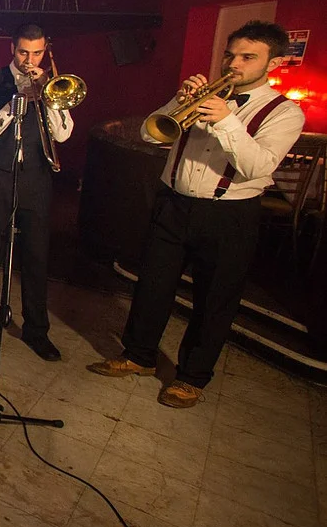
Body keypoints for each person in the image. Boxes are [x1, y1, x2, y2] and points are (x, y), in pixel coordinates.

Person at [89, 21, 304, 407]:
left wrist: (226, 120)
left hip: (229, 215)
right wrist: (178, 102)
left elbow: (258, 166)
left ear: (272, 64)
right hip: (174, 203)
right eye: (230, 54)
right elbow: (150, 135)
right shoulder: (204, 95)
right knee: (152, 285)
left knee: (215, 298)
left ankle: (191, 377)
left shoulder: (284, 113)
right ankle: (138, 356)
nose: (233, 64)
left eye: (247, 57)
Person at [0, 23, 74, 361]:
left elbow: (65, 133)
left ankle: (36, 330)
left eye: (37, 53)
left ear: (45, 51)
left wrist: (47, 97)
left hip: (36, 178)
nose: (30, 59)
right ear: (12, 49)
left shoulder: (51, 83)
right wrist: (15, 104)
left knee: (37, 255)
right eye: (24, 52)